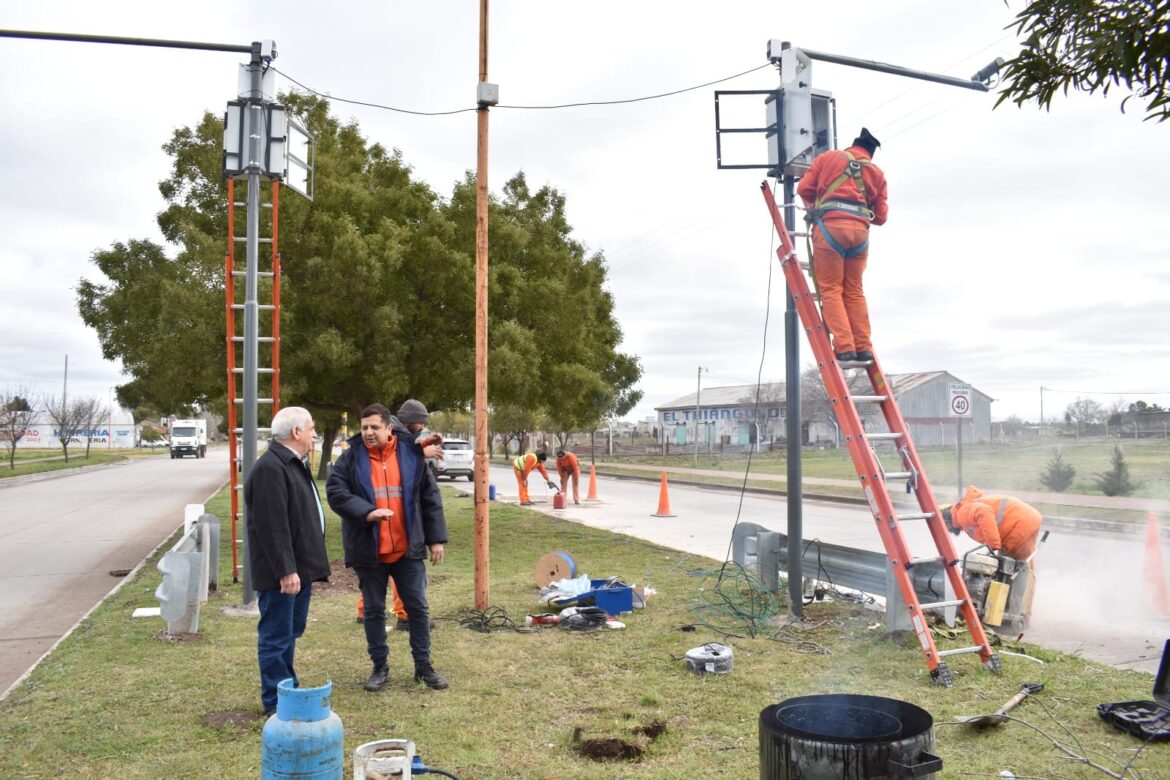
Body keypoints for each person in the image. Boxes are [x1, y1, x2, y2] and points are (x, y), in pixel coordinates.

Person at [327, 403, 449, 691]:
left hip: (407, 550)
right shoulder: (350, 458)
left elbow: (429, 497)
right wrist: (366, 512)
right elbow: (336, 492)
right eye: (364, 427)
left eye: (374, 427)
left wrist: (436, 539)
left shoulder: (411, 455)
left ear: (389, 427)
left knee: (418, 609)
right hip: (369, 551)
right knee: (373, 611)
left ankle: (423, 666)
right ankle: (379, 667)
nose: (368, 432)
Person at [244, 406, 331, 715]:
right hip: (282, 574)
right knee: (276, 636)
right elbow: (272, 525)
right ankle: (276, 700)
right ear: (296, 432)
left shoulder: (293, 463)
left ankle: (287, 687)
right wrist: (286, 570)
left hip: (299, 570)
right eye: (311, 428)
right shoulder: (271, 468)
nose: (314, 435)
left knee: (290, 631)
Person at [797, 127, 889, 364]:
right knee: (854, 291)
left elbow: (804, 189)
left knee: (831, 289)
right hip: (860, 236)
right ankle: (863, 347)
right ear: (869, 154)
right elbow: (880, 217)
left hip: (830, 229)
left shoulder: (828, 158)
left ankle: (845, 348)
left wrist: (819, 201)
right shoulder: (877, 173)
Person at [940, 485, 1044, 561]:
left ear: (946, 520)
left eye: (944, 527)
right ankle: (1030, 590)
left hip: (1018, 524)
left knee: (1006, 570)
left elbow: (983, 511)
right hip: (1026, 520)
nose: (947, 531)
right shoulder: (963, 516)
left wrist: (993, 545)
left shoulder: (961, 513)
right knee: (1022, 568)